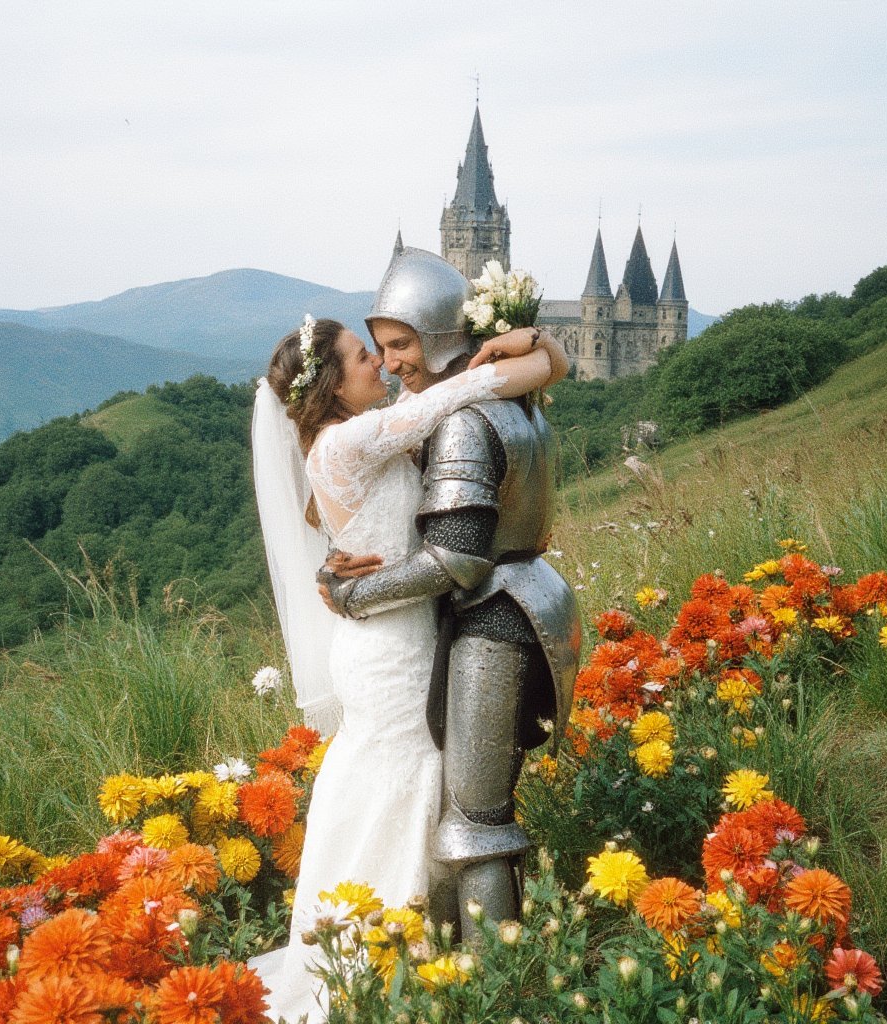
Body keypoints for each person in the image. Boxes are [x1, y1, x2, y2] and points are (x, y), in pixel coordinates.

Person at [250, 310, 567, 1022]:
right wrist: (526, 351)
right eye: (365, 355)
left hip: (402, 633)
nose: (383, 365)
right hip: (389, 647)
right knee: (406, 776)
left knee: (400, 777)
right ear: (332, 381)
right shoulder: (350, 439)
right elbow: (482, 386)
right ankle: (387, 948)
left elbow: (527, 377)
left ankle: (408, 940)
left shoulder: (355, 434)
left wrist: (543, 347)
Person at [317, 246, 581, 942]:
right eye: (379, 349)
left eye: (401, 343)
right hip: (522, 600)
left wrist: (355, 596)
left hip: (493, 614)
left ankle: (495, 979)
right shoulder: (506, 394)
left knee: (475, 819)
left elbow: (457, 559)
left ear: (439, 333)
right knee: (476, 808)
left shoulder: (465, 419)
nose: (393, 361)